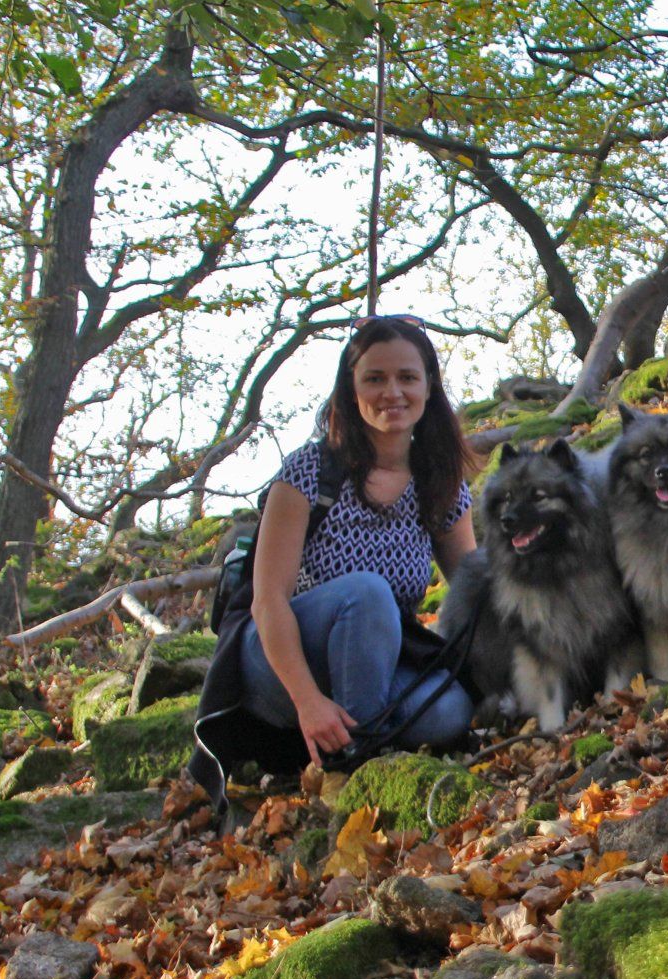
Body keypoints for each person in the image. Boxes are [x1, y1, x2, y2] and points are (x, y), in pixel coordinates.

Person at [189, 316, 478, 805]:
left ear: (429, 387)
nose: (393, 392)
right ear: (351, 388)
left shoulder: (439, 483)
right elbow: (267, 602)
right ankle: (353, 771)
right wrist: (307, 701)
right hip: (278, 663)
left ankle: (351, 742)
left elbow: (476, 590)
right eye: (375, 378)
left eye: (407, 377)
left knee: (447, 711)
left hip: (377, 662)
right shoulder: (310, 470)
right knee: (366, 593)